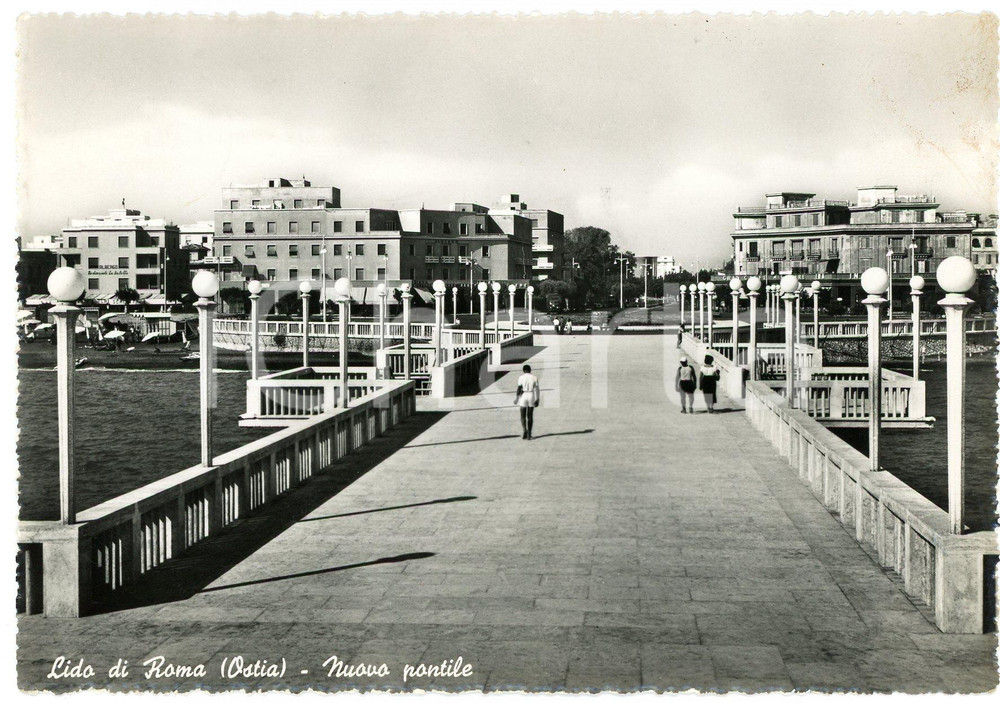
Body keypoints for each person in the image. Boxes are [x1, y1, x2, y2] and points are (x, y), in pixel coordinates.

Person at [514, 363, 540, 439]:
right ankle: (529, 434)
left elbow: (519, 388)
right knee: (530, 416)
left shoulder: (521, 377)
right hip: (531, 395)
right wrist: (537, 399)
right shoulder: (534, 377)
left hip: (524, 395)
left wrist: (516, 398)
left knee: (522, 415)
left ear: (523, 370)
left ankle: (524, 430)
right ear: (530, 370)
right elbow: (537, 389)